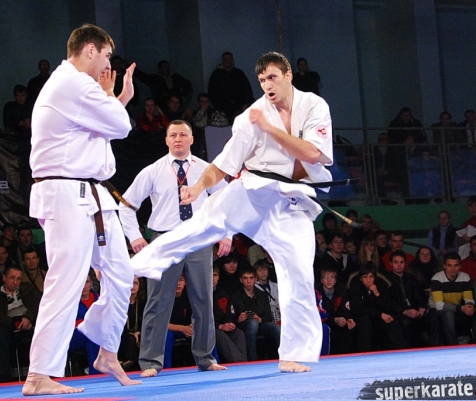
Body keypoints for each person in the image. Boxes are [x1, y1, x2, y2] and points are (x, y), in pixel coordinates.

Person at [130, 51, 333, 373]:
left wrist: (269, 128)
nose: (267, 85)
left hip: (291, 201)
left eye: (272, 77)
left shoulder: (313, 106)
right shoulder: (251, 116)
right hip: (253, 190)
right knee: (205, 223)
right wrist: (198, 188)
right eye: (262, 80)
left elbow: (312, 153)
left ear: (288, 75)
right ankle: (134, 267)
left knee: (298, 271)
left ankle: (292, 355)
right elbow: (224, 164)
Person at [21, 23, 139, 396]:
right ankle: (38, 374)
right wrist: (114, 96)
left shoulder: (80, 89)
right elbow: (120, 125)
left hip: (93, 194)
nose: (108, 65)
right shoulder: (73, 83)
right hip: (64, 191)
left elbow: (110, 126)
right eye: (106, 56)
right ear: (90, 49)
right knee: (67, 280)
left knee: (121, 273)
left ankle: (107, 350)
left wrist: (113, 99)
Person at [118, 120, 228, 377]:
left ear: (191, 139)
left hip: (198, 237)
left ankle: (206, 357)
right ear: (166, 140)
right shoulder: (153, 170)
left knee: (204, 299)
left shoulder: (206, 169)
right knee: (158, 300)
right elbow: (126, 204)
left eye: (183, 135)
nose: (178, 139)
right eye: (173, 135)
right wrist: (135, 237)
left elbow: (225, 201)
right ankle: (150, 362)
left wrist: (227, 234)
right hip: (165, 238)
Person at [0, 266, 39, 382]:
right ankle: (4, 376)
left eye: (18, 279)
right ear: (4, 278)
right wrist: (16, 323)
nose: (15, 282)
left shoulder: (28, 289)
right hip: (9, 327)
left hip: (29, 324)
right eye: (12, 278)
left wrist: (28, 318)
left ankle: (43, 372)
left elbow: (39, 304)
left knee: (43, 331)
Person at [427, 252, 476, 346]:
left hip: (457, 307)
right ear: (444, 266)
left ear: (460, 266)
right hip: (435, 309)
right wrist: (461, 308)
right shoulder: (437, 278)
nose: (453, 269)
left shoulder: (465, 277)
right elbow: (439, 305)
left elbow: (469, 299)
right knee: (448, 314)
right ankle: (453, 346)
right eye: (449, 265)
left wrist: (469, 306)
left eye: (456, 265)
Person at [231, 268, 280, 361]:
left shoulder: (262, 295)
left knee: (276, 328)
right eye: (245, 278)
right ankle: (252, 359)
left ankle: (285, 357)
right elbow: (230, 316)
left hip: (261, 324)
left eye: (251, 278)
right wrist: (239, 319)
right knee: (252, 324)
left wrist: (260, 319)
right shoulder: (235, 296)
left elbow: (268, 316)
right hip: (243, 326)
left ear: (255, 279)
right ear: (241, 280)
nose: (248, 281)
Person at [316, 268, 355, 354]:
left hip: (338, 321)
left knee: (347, 327)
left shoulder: (341, 292)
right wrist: (334, 320)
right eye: (326, 277)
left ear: (335, 280)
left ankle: (345, 357)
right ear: (321, 280)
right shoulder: (316, 292)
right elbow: (318, 313)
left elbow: (345, 309)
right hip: (323, 321)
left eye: (332, 277)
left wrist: (348, 318)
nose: (329, 280)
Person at [212, 265, 247, 363]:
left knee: (239, 333)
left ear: (218, 277)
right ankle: (239, 362)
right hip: (210, 329)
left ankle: (244, 363)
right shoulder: (200, 294)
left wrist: (230, 323)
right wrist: (219, 326)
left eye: (215, 275)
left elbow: (230, 312)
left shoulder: (223, 293)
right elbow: (201, 318)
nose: (212, 278)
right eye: (209, 275)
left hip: (223, 326)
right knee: (219, 334)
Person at [207, 51, 253, 123]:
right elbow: (212, 91)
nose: (227, 61)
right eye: (225, 59)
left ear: (232, 60)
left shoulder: (239, 73)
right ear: (222, 60)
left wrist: (245, 104)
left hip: (238, 107)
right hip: (222, 108)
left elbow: (247, 89)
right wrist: (217, 106)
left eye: (229, 59)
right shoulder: (216, 74)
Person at [68, 273, 100, 375]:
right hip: (74, 336)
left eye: (86, 282)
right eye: (80, 282)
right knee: (92, 334)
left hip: (94, 336)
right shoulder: (69, 302)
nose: (83, 286)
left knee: (92, 341)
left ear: (91, 283)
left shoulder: (100, 299)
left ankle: (94, 373)